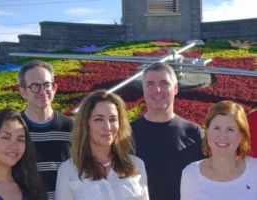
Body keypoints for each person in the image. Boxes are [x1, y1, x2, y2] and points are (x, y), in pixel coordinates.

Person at [55, 90, 149, 200]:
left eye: (113, 119)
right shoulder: (68, 170)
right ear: (86, 124)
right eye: (98, 119)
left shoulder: (137, 165)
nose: (107, 126)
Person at [131, 62, 205, 200]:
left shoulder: (193, 132)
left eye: (164, 83)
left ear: (175, 88)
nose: (157, 90)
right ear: (143, 90)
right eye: (150, 84)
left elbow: (205, 179)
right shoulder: (127, 133)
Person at [18, 60, 74, 199]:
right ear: (23, 92)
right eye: (35, 86)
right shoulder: (13, 129)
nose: (43, 91)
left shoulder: (72, 128)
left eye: (47, 85)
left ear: (54, 88)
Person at [180, 100, 257, 200]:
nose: (222, 136)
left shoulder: (254, 170)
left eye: (230, 129)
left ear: (241, 136)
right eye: (216, 128)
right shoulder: (190, 174)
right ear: (207, 131)